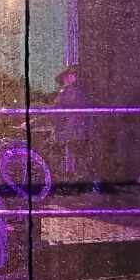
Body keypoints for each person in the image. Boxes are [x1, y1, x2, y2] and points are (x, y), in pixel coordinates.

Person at [53, 65, 97, 193]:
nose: (67, 79)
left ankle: (84, 184)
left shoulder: (71, 93)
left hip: (73, 131)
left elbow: (59, 112)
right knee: (80, 157)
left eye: (70, 75)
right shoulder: (77, 92)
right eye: (67, 76)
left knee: (78, 157)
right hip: (76, 131)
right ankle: (86, 184)